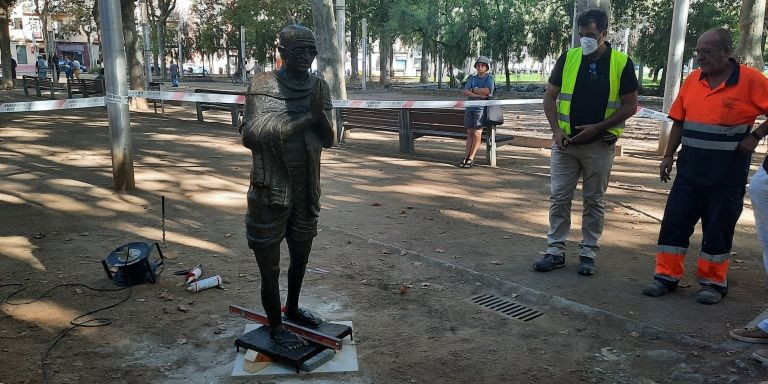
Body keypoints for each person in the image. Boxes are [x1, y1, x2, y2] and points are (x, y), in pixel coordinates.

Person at [642, 28, 768, 304]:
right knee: (675, 223)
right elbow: (679, 120)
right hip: (689, 171)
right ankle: (666, 276)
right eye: (698, 51)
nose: (701, 57)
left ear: (726, 52)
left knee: (718, 227)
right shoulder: (692, 81)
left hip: (727, 175)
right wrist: (667, 155)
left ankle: (712, 283)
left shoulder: (751, 81)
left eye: (707, 51)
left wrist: (756, 135)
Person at [239, 25, 334, 350]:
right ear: (282, 52)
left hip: (307, 186)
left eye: (311, 51)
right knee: (270, 266)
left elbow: (331, 138)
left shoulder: (318, 86)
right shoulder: (263, 85)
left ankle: (292, 307)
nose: (307, 58)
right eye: (299, 51)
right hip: (271, 189)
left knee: (301, 255)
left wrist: (318, 116)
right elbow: (253, 134)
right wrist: (306, 118)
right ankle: (277, 326)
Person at [532, 8, 638, 276]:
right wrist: (556, 130)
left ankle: (588, 252)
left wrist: (597, 129)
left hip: (599, 146)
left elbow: (630, 106)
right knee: (559, 198)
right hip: (565, 145)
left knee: (594, 200)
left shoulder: (621, 62)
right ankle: (555, 250)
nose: (584, 40)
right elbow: (550, 97)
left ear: (603, 33)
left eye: (590, 35)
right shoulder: (569, 57)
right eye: (581, 35)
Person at [459, 56, 495, 168]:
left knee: (477, 133)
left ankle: (471, 157)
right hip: (470, 107)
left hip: (481, 108)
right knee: (470, 133)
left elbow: (487, 91)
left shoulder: (490, 78)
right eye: (478, 65)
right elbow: (465, 91)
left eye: (482, 65)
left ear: (486, 68)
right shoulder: (472, 78)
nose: (480, 67)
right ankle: (466, 156)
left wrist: (473, 90)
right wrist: (478, 94)